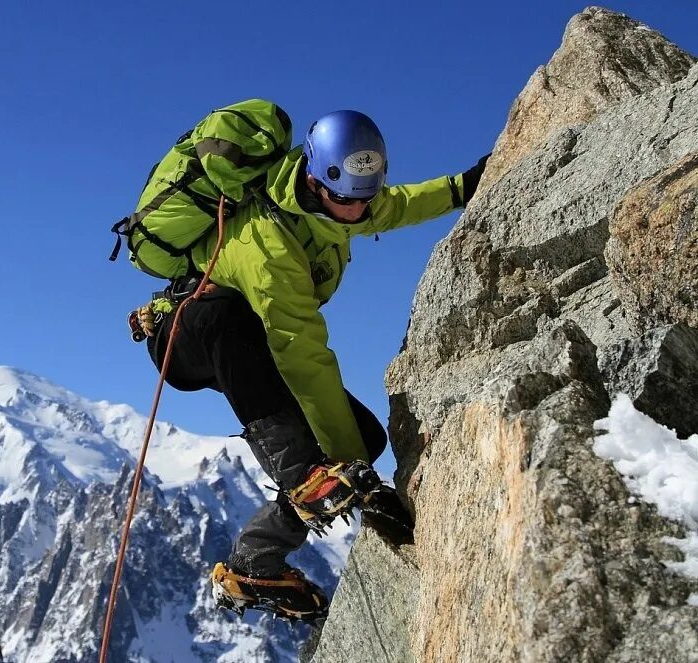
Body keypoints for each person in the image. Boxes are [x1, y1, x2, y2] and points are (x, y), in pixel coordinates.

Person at [130, 105, 489, 621]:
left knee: (364, 437)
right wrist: (355, 479)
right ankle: (303, 477)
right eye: (344, 199)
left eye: (362, 199)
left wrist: (462, 187)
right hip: (185, 334)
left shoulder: (339, 202)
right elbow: (303, 357)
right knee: (232, 322)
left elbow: (395, 205)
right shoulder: (268, 246)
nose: (354, 213)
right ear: (318, 182)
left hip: (248, 350)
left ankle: (254, 563)